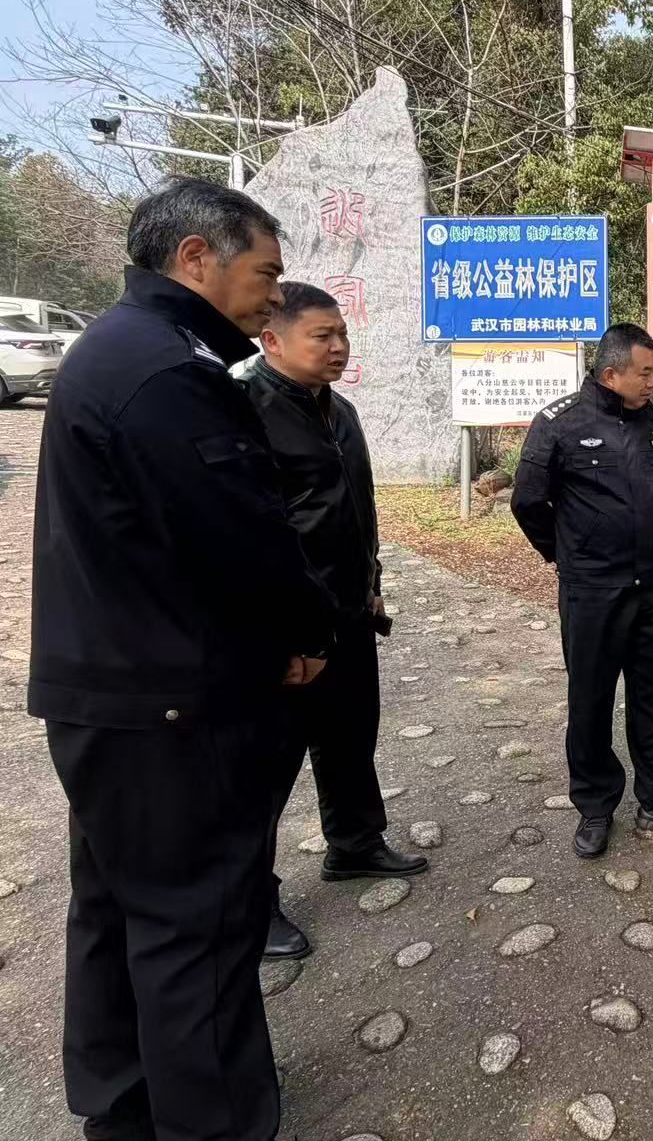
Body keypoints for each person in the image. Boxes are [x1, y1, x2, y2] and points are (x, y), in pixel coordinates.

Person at [30, 177, 335, 1141]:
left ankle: (123, 1107)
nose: (273, 296)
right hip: (172, 703)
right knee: (196, 927)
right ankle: (214, 1123)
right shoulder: (169, 372)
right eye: (265, 273)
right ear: (197, 256)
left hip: (108, 691)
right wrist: (307, 633)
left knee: (117, 911)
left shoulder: (115, 349)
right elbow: (240, 541)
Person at [240, 282, 427, 961]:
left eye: (342, 333)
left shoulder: (338, 410)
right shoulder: (244, 409)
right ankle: (248, 904)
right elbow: (250, 533)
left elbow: (358, 510)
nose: (339, 347)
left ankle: (354, 843)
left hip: (347, 611)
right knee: (266, 768)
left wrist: (370, 583)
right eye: (322, 335)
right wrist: (285, 630)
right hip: (287, 626)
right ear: (272, 339)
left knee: (349, 734)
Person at [511, 323, 653, 858]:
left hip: (651, 588)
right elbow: (527, 502)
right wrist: (567, 554)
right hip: (591, 592)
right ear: (611, 374)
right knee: (591, 699)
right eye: (645, 373)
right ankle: (595, 805)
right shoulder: (559, 424)